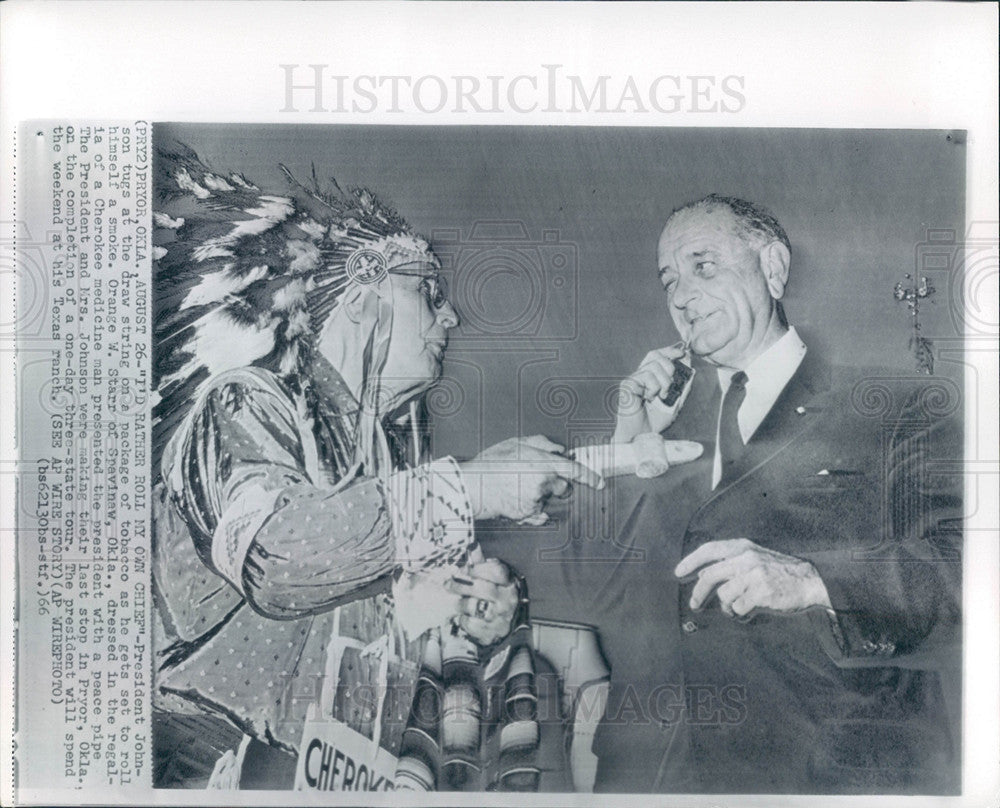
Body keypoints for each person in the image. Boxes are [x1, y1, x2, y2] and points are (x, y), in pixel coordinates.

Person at [150, 144, 600, 789]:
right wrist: (470, 488)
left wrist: (473, 608)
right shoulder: (246, 401)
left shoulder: (384, 451)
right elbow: (279, 556)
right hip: (202, 751)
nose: (451, 316)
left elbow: (386, 627)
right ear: (361, 301)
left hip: (324, 767)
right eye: (427, 292)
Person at [480, 194, 961, 794]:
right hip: (661, 777)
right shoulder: (664, 422)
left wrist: (811, 579)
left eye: (703, 267)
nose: (681, 297)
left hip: (831, 774)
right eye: (669, 280)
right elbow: (586, 588)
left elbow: (969, 572)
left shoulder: (893, 406)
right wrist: (630, 443)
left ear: (774, 267)